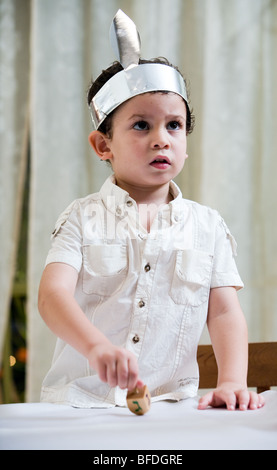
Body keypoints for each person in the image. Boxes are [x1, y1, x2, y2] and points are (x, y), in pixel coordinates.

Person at [38, 10, 265, 411]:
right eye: (141, 125)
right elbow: (52, 297)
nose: (161, 139)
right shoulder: (81, 218)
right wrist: (96, 347)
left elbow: (225, 311)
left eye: (174, 125)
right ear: (103, 146)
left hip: (170, 406)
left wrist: (232, 380)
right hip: (79, 406)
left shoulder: (207, 226)